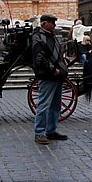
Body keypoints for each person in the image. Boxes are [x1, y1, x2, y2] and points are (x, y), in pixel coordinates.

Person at [31, 13, 69, 145]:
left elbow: (57, 54)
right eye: (52, 23)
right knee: (44, 105)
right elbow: (40, 58)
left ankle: (51, 130)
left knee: (55, 105)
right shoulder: (38, 37)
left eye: (54, 23)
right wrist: (54, 69)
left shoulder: (51, 36)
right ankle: (39, 132)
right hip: (48, 75)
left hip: (57, 76)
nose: (54, 25)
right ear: (44, 24)